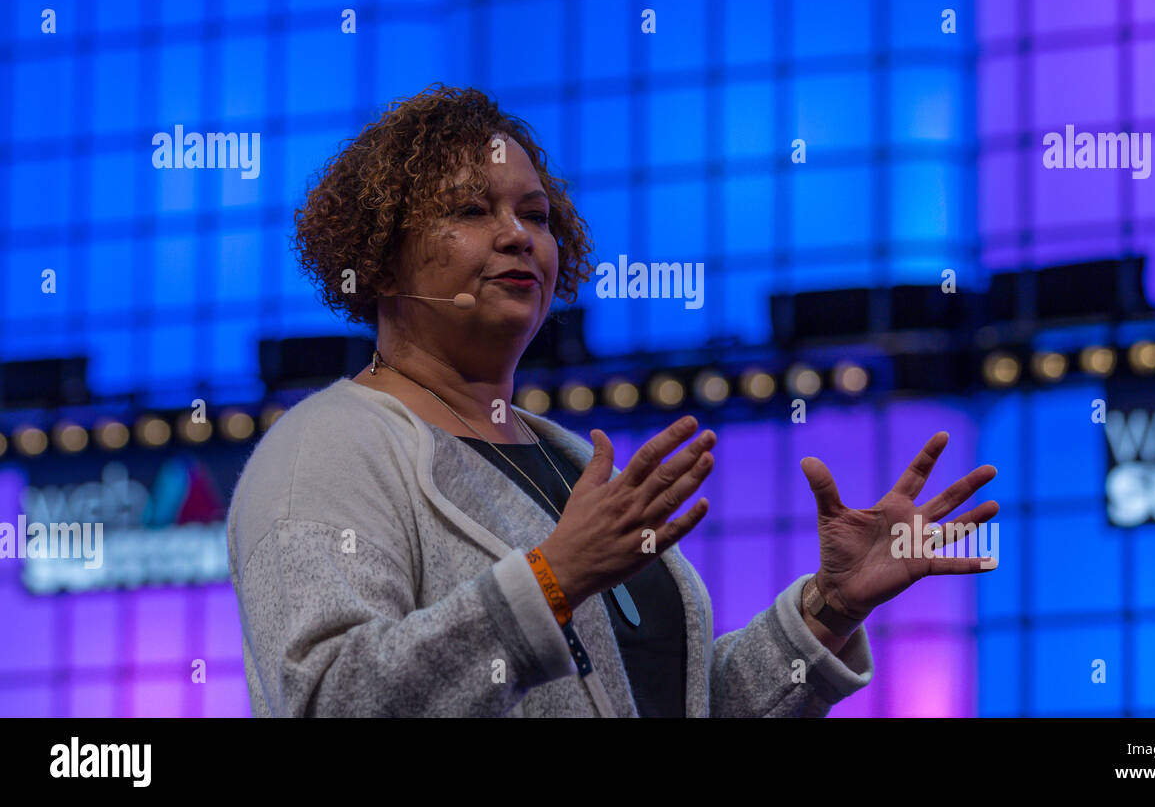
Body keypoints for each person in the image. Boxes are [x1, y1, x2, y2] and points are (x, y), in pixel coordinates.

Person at [225, 84, 999, 717]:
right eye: (470, 211)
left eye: (534, 214)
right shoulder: (324, 450)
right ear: (378, 257)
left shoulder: (562, 459)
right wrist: (550, 580)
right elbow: (329, 700)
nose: (518, 235)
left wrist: (827, 609)